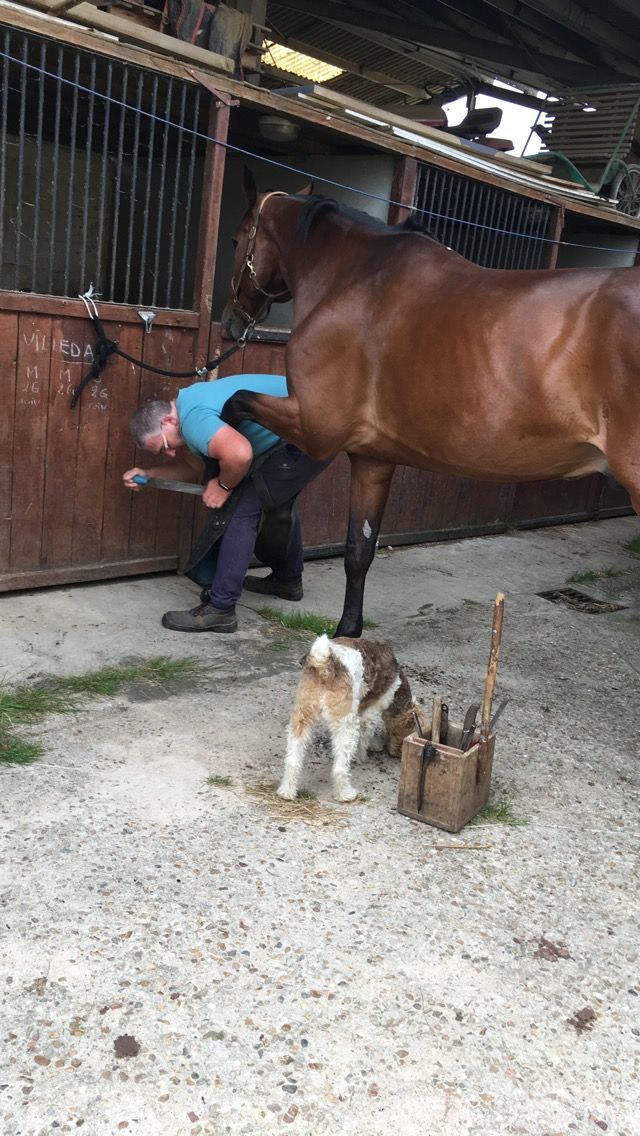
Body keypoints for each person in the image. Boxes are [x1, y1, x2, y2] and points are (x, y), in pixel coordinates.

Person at [123, 375, 332, 634]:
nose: (171, 453)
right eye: (162, 453)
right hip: (316, 423)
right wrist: (150, 474)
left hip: (309, 432)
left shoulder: (193, 418)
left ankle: (221, 609)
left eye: (165, 446)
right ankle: (287, 581)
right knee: (274, 499)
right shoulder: (188, 404)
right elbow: (192, 467)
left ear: (168, 421)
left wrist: (223, 486)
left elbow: (239, 454)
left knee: (241, 509)